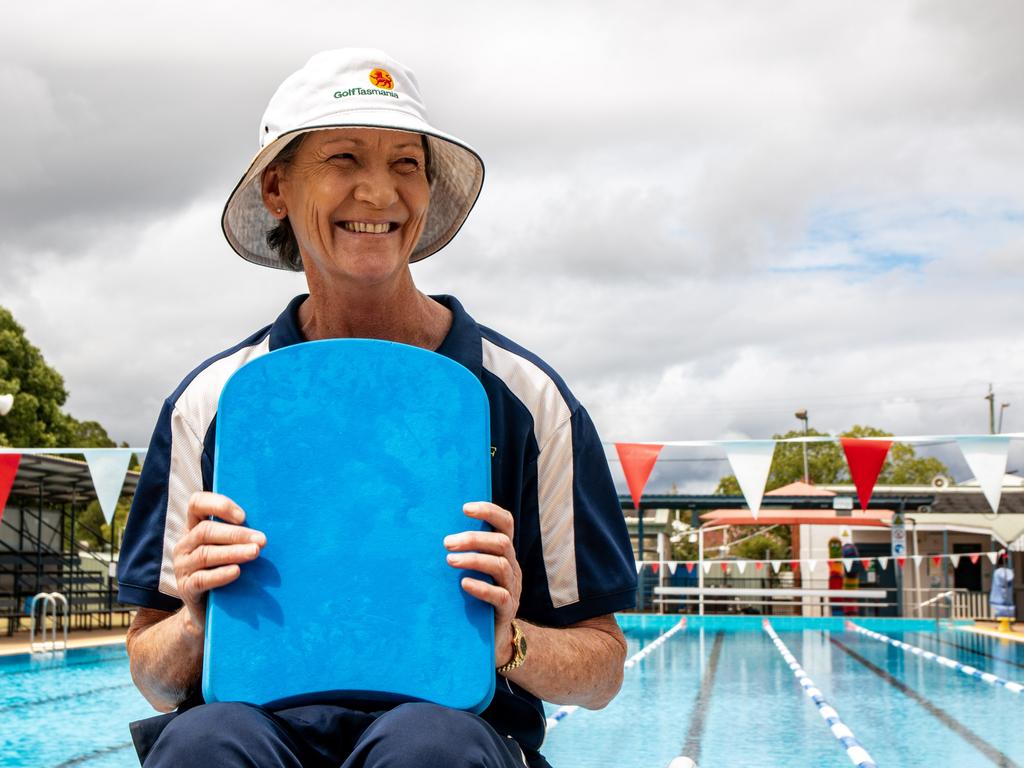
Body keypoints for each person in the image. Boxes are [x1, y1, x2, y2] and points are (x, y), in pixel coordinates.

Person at [117, 49, 637, 768]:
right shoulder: (213, 403)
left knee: (431, 745)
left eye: (405, 164)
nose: (378, 192)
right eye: (344, 158)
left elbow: (604, 665)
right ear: (276, 187)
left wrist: (508, 640)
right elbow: (149, 671)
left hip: (458, 737)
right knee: (203, 743)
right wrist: (196, 625)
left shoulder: (525, 398)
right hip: (246, 731)